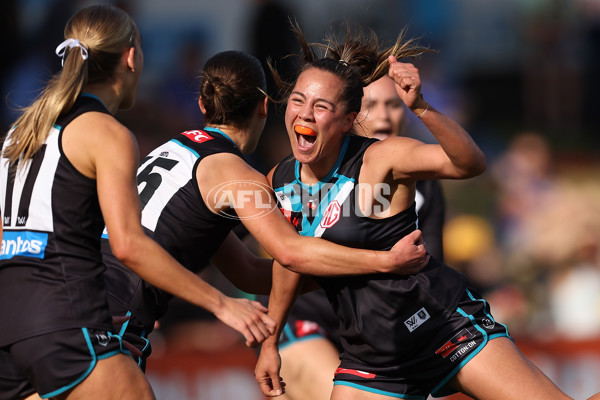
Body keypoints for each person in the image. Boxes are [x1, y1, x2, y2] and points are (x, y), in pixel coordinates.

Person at [254, 22, 598, 400]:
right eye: (298, 100)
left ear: (349, 120)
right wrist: (270, 342)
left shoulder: (382, 157)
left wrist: (420, 106)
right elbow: (289, 260)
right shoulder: (281, 179)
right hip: (373, 357)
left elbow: (469, 164)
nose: (304, 114)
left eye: (321, 106)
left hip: (444, 329)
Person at [0, 6, 273, 400]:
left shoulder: (21, 130)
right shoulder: (107, 133)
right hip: (64, 315)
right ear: (131, 57)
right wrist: (223, 305)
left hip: (11, 321)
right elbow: (129, 245)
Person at [100, 49, 431, 369]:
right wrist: (383, 261)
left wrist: (344, 270)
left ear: (202, 103)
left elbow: (249, 271)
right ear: (264, 106)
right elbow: (290, 252)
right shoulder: (239, 176)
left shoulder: (175, 150)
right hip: (114, 314)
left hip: (81, 298)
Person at [255, 73, 446, 400]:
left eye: (393, 105)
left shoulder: (424, 184)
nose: (385, 116)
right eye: (373, 106)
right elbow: (284, 260)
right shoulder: (294, 176)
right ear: (349, 117)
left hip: (374, 335)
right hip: (304, 320)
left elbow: (426, 268)